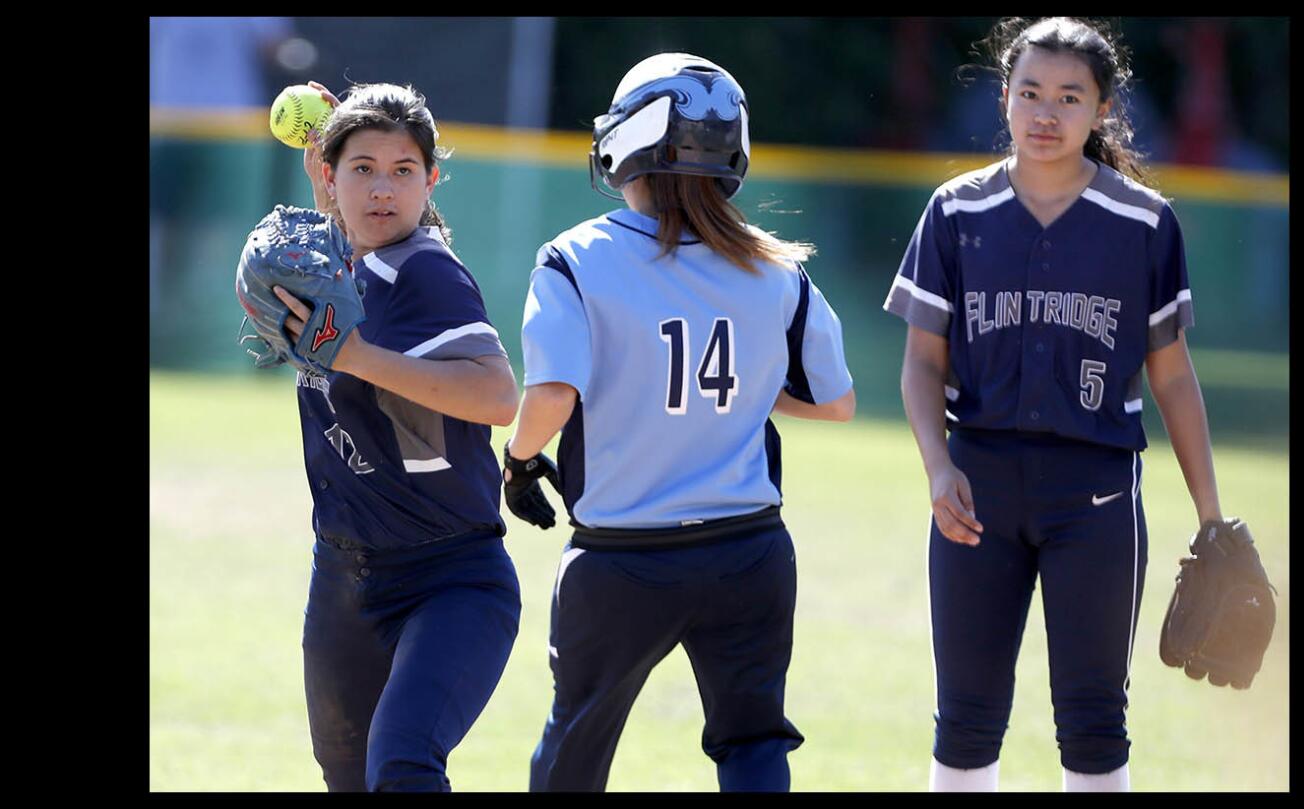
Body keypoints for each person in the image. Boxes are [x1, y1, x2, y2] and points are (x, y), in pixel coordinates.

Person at [883, 18, 1231, 792]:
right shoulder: (956, 211)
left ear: (1102, 108)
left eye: (1070, 97)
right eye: (1030, 92)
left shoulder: (1143, 222)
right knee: (966, 716)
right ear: (1004, 97)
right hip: (976, 487)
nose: (1046, 113)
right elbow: (921, 362)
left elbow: (1172, 377)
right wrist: (937, 467)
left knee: (1094, 717)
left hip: (1096, 493)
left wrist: (1212, 516)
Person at [501, 53, 855, 792]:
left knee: (575, 749)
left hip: (623, 556)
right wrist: (751, 386)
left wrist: (519, 459)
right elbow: (834, 401)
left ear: (630, 141)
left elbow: (553, 395)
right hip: (751, 550)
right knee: (754, 745)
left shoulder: (573, 257)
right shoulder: (778, 268)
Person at [265, 81, 522, 792]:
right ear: (327, 174)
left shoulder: (424, 271)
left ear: (431, 179)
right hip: (344, 575)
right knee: (350, 780)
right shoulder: (338, 266)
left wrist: (350, 355)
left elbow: (501, 397)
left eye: (405, 171)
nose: (384, 189)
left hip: (452, 577)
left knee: (404, 764)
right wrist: (334, 133)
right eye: (362, 169)